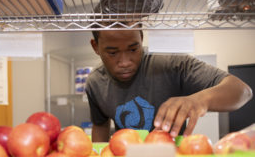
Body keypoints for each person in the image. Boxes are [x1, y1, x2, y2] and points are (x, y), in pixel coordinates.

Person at [85, 26, 253, 142]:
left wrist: (199, 100)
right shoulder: (95, 83)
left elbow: (242, 91)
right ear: (96, 47)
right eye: (113, 52)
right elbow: (100, 126)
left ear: (141, 38)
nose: (125, 62)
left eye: (133, 49)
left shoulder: (173, 65)